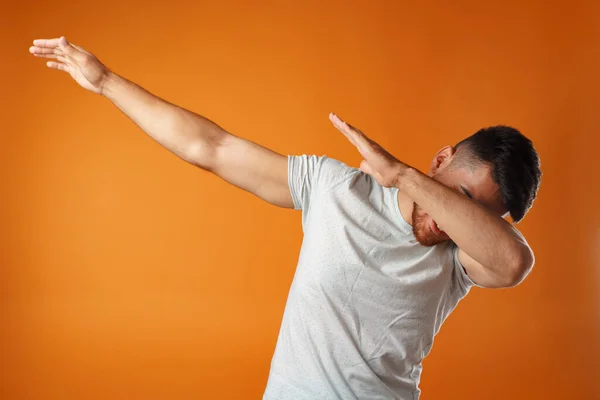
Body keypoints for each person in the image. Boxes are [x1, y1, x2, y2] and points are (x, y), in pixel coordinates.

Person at [29, 36, 542, 399]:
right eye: (462, 197)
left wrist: (403, 176)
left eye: (481, 216)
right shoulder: (334, 186)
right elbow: (210, 146)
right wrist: (106, 82)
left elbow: (514, 262)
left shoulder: (460, 261)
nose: (456, 221)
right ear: (442, 160)